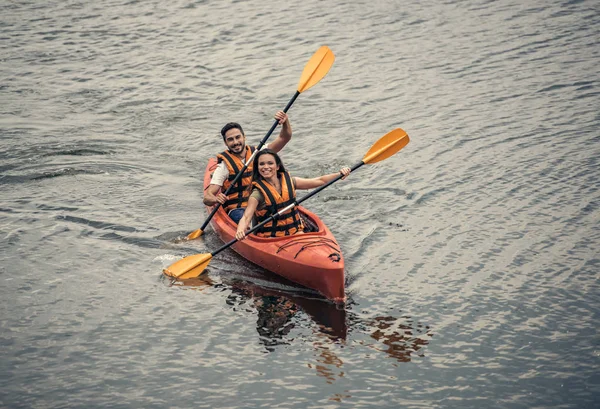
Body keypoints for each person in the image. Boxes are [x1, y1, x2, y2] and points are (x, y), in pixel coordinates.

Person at [235, 149, 351, 240]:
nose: (266, 167)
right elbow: (246, 217)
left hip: (296, 232)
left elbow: (320, 181)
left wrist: (339, 174)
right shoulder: (257, 194)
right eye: (262, 164)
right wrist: (240, 230)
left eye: (270, 163)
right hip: (271, 238)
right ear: (258, 167)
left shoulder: (291, 181)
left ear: (277, 166)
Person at [203, 111, 292, 223]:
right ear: (225, 143)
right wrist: (216, 198)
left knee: (287, 214)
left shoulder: (259, 153)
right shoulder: (224, 166)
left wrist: (285, 122)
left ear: (244, 137)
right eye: (230, 139)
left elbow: (285, 137)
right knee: (251, 221)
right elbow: (207, 198)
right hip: (239, 209)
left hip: (262, 203)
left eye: (238, 137)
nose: (235, 142)